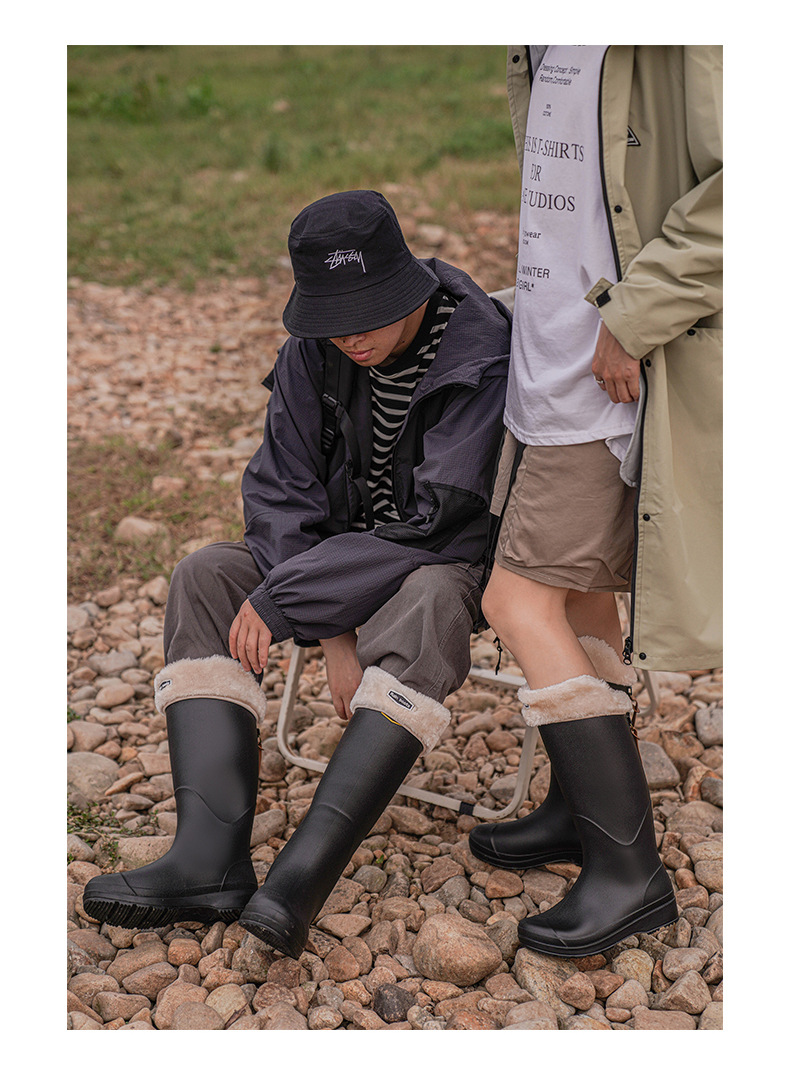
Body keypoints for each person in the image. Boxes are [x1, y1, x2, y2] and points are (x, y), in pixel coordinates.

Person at [83, 189, 512, 958]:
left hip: (444, 561)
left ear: (406, 283)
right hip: (334, 566)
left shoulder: (479, 352)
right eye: (331, 316)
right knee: (206, 574)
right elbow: (280, 492)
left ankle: (299, 882)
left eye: (367, 312)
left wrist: (295, 599)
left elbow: (441, 522)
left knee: (426, 599)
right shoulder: (313, 349)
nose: (350, 334)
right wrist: (331, 633)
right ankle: (208, 860)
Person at [468, 46, 722, 957]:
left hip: (609, 366)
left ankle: (629, 871)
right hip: (553, 349)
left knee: (515, 600)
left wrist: (635, 314)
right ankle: (579, 810)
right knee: (576, 596)